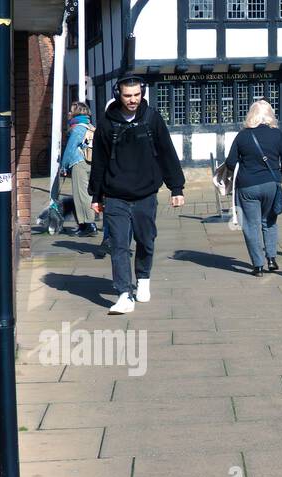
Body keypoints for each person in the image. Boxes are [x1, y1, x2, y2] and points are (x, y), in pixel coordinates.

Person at [89, 76, 185, 315]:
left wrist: (177, 188)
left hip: (145, 193)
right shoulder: (107, 123)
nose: (132, 100)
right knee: (119, 244)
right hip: (115, 195)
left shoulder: (152, 119)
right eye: (127, 95)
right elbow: (99, 161)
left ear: (142, 93)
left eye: (136, 95)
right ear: (118, 95)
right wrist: (96, 195)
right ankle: (123, 294)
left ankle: (143, 278)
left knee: (145, 239)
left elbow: (167, 153)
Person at [226, 100, 282, 276]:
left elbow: (230, 162)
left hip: (247, 186)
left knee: (251, 225)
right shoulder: (277, 134)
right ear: (270, 115)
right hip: (271, 183)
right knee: (269, 221)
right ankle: (271, 258)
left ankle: (258, 265)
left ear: (251, 115)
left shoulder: (242, 136)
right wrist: (280, 176)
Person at [59, 102, 96, 236]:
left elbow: (70, 148)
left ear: (76, 113)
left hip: (79, 163)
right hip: (90, 163)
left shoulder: (77, 128)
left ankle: (89, 225)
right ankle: (84, 225)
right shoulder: (90, 126)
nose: (69, 113)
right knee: (86, 194)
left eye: (71, 111)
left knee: (81, 195)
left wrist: (63, 166)